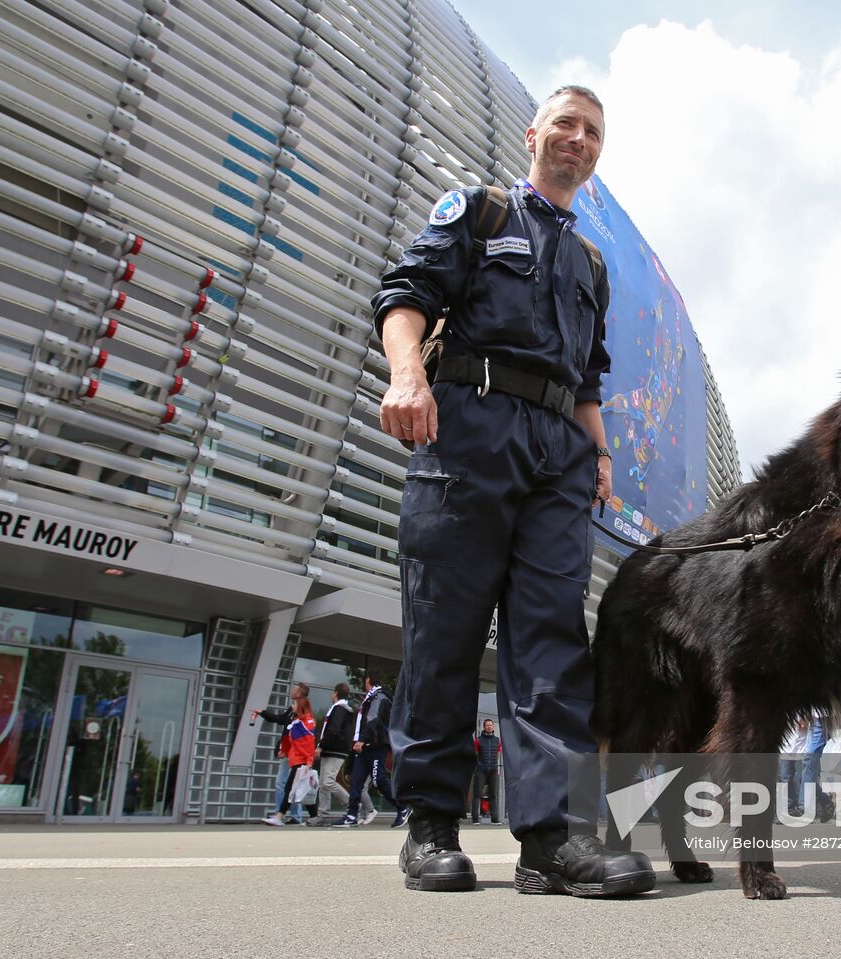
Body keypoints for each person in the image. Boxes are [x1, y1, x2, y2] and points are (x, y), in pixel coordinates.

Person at [372, 84, 654, 896]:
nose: (578, 138)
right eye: (566, 123)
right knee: (444, 630)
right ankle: (429, 827)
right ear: (534, 133)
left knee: (553, 645)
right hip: (468, 428)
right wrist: (408, 374)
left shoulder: (592, 264)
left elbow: (590, 375)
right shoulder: (482, 212)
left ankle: (552, 841)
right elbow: (405, 298)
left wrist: (597, 455)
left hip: (558, 454)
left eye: (593, 130)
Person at [333, 672, 405, 828]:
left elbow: (373, 719)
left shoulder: (379, 697)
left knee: (379, 779)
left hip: (376, 745)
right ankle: (351, 815)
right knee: (356, 780)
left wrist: (363, 739)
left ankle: (402, 807)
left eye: (364, 681)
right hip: (365, 747)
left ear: (368, 681)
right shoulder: (370, 699)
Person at [253, 684, 315, 825]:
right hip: (293, 754)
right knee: (293, 787)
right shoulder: (293, 713)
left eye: (295, 688)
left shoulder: (304, 713)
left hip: (301, 756)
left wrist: (309, 759)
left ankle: (285, 816)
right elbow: (282, 722)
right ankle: (313, 817)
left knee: (291, 787)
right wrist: (263, 712)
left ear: (299, 693)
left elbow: (308, 738)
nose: (292, 689)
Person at [305, 683, 356, 826]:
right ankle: (323, 815)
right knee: (323, 784)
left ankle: (352, 805)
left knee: (327, 781)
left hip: (335, 750)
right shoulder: (342, 709)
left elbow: (333, 730)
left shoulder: (339, 709)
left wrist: (321, 745)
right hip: (333, 749)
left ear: (335, 693)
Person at [472, 719, 503, 824]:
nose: (489, 727)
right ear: (484, 727)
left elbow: (498, 755)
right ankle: (475, 819)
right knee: (477, 795)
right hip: (481, 771)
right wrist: (479, 764)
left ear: (493, 727)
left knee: (493, 795)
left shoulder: (497, 740)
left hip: (493, 771)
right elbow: (475, 754)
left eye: (491, 725)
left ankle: (495, 819)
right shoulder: (478, 740)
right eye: (487, 725)